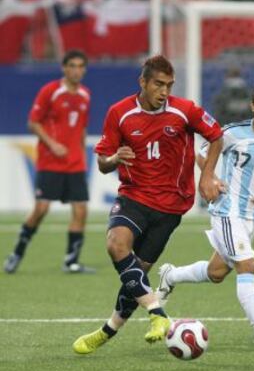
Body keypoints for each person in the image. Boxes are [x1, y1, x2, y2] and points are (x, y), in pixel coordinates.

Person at [72, 54, 224, 353]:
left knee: (136, 275)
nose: (164, 91)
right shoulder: (120, 113)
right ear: (143, 82)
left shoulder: (185, 111)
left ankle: (107, 330)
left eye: (169, 85)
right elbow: (103, 161)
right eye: (158, 84)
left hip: (171, 206)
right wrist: (114, 158)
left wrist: (207, 177)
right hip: (134, 197)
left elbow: (216, 136)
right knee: (116, 245)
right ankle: (159, 314)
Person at [157, 79, 254, 351]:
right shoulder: (232, 133)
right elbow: (202, 154)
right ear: (252, 106)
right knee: (248, 265)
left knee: (216, 272)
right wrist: (212, 178)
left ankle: (170, 276)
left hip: (251, 217)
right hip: (227, 209)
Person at [3, 49, 95, 275]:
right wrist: (52, 144)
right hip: (50, 162)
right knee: (41, 209)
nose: (77, 70)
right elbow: (33, 123)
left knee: (81, 210)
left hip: (75, 163)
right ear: (64, 68)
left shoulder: (85, 94)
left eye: (81, 66)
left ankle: (71, 261)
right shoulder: (50, 91)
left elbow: (82, 127)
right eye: (72, 65)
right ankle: (17, 252)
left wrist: (82, 154)